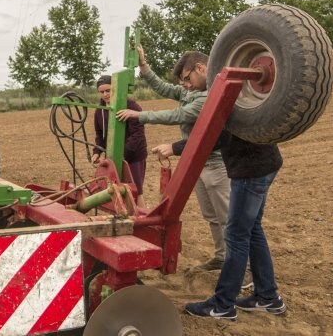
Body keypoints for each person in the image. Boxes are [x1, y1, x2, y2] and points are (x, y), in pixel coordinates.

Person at [116, 44, 230, 271]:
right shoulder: (192, 91)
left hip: (216, 165)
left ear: (200, 68)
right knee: (212, 216)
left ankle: (241, 268)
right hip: (198, 162)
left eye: (187, 79)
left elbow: (177, 115)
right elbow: (164, 88)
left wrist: (140, 115)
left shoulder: (208, 96)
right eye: (183, 82)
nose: (185, 85)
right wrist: (144, 66)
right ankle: (222, 257)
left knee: (227, 217)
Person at [152, 131, 286, 320]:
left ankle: (222, 305)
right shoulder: (249, 99)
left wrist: (175, 148)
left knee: (235, 235)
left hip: (249, 169)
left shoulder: (232, 102)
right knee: (253, 229)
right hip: (266, 163)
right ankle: (267, 296)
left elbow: (217, 136)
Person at [92, 75, 148, 205]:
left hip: (134, 157)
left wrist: (121, 155)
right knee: (115, 190)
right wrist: (96, 152)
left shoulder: (132, 107)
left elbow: (137, 136)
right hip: (113, 157)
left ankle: (141, 222)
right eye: (102, 92)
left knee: (135, 192)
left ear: (115, 89)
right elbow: (99, 135)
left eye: (108, 90)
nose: (105, 94)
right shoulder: (99, 111)